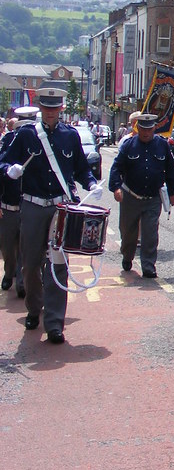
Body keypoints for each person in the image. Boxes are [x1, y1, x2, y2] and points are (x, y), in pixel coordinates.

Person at [0, 88, 100, 344]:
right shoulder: (25, 135)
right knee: (31, 264)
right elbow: (3, 161)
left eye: (55, 108)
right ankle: (34, 309)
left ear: (61, 109)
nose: (51, 112)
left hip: (60, 206)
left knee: (58, 262)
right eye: (46, 108)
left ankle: (55, 322)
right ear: (40, 108)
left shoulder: (70, 136)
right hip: (32, 205)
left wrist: (91, 184)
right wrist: (9, 169)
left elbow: (80, 168)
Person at [108, 113, 174, 278]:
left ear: (154, 128)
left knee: (150, 232)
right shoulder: (129, 145)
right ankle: (127, 255)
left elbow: (171, 170)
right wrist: (116, 188)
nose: (146, 133)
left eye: (149, 129)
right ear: (137, 128)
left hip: (153, 198)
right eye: (143, 129)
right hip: (131, 196)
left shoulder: (162, 145)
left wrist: (173, 192)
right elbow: (116, 168)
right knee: (128, 232)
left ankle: (148, 265)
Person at [0, 117, 25, 297]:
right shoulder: (8, 146)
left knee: (26, 247)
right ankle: (9, 273)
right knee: (8, 247)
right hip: (8, 206)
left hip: (28, 208)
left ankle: (23, 283)